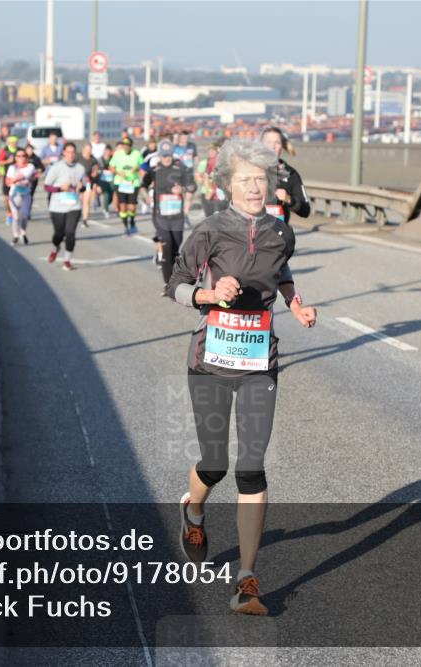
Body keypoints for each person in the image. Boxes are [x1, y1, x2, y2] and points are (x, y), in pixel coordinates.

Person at [166, 139, 317, 616]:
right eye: (245, 179)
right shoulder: (210, 230)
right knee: (215, 464)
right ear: (226, 185)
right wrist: (209, 296)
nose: (255, 187)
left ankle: (246, 580)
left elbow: (282, 270)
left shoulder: (280, 231)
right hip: (209, 361)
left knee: (251, 467)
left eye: (260, 179)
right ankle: (193, 510)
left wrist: (295, 304)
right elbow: (175, 285)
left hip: (258, 363)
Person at [143, 139, 195, 295]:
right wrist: (146, 197)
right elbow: (142, 185)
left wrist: (183, 189)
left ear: (172, 154)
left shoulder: (180, 168)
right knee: (167, 248)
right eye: (164, 155)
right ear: (159, 155)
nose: (166, 158)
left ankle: (174, 277)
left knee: (175, 249)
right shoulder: (154, 170)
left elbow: (193, 186)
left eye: (169, 155)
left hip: (177, 217)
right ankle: (168, 285)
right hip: (160, 216)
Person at [43, 142, 88, 271]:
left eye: (73, 152)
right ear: (63, 153)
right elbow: (46, 186)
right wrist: (60, 189)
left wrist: (81, 187)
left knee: (70, 233)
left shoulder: (80, 168)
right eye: (68, 152)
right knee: (59, 234)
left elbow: (84, 187)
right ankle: (55, 248)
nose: (71, 155)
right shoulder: (56, 167)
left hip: (74, 206)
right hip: (57, 206)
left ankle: (67, 260)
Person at [260, 126, 311, 225]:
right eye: (268, 142)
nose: (273, 146)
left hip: (279, 232)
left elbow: (306, 211)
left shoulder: (290, 174)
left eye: (277, 143)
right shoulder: (250, 170)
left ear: (282, 146)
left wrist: (289, 199)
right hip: (253, 232)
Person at [108, 137, 144, 234]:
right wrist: (118, 172)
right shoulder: (117, 154)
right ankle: (125, 226)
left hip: (133, 183)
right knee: (123, 207)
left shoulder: (137, 154)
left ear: (131, 146)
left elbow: (143, 166)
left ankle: (132, 221)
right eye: (124, 145)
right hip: (121, 183)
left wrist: (136, 169)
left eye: (128, 145)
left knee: (132, 207)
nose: (126, 147)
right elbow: (111, 167)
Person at [5, 147, 37, 245]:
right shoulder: (12, 168)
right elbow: (7, 182)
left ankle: (23, 232)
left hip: (26, 193)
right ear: (15, 158)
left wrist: (14, 180)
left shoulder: (30, 166)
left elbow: (25, 175)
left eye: (23, 156)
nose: (21, 158)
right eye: (19, 156)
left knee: (24, 215)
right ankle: (15, 235)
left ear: (27, 157)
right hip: (14, 194)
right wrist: (13, 181)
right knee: (15, 217)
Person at [173, 129, 198, 223]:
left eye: (186, 137)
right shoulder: (175, 147)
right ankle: (179, 213)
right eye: (183, 137)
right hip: (177, 174)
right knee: (179, 194)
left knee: (189, 194)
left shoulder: (192, 146)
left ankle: (185, 215)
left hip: (189, 173)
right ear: (180, 138)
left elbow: (195, 157)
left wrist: (196, 169)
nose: (185, 139)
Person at [76, 142, 101, 227]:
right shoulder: (77, 157)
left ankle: (85, 220)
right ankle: (76, 215)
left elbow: (96, 169)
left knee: (86, 201)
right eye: (87, 150)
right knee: (79, 200)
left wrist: (95, 172)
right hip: (77, 182)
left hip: (88, 182)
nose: (88, 151)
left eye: (90, 150)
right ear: (83, 149)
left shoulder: (93, 159)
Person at [0, 136, 20, 225]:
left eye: (16, 142)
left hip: (18, 177)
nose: (14, 144)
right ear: (9, 143)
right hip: (7, 177)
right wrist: (8, 161)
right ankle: (9, 214)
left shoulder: (20, 151)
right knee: (6, 198)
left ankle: (17, 213)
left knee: (18, 197)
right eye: (12, 142)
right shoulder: (4, 150)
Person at [23, 142, 45, 219]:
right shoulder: (22, 157)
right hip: (23, 180)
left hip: (33, 180)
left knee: (30, 195)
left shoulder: (36, 158)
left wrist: (36, 171)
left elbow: (42, 168)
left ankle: (28, 212)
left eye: (31, 150)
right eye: (28, 150)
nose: (30, 151)